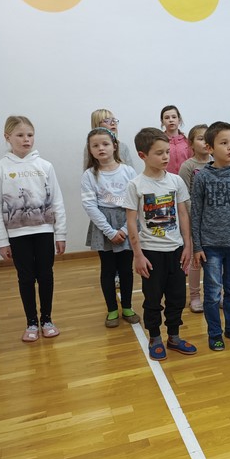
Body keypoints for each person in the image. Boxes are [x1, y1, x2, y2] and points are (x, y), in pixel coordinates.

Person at [0, 115, 66, 342]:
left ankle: (47, 320)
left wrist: (60, 233)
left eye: (30, 135)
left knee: (46, 275)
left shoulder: (45, 166)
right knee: (25, 278)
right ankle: (31, 322)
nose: (26, 140)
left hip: (44, 231)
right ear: (7, 137)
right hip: (17, 235)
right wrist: (2, 241)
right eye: (20, 135)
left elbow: (57, 201)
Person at [124, 128, 196, 361]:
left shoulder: (175, 181)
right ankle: (155, 337)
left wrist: (187, 245)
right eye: (159, 153)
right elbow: (131, 222)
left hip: (176, 251)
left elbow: (183, 214)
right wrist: (137, 255)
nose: (166, 157)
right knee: (153, 299)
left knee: (177, 297)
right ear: (142, 155)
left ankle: (174, 336)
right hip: (150, 252)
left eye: (167, 152)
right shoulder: (135, 185)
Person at [191, 122, 230, 351]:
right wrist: (197, 246)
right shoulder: (202, 177)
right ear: (210, 148)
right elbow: (196, 213)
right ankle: (214, 333)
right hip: (211, 246)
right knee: (211, 294)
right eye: (224, 143)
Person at [81, 127, 139, 327]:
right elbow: (90, 205)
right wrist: (110, 231)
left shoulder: (128, 171)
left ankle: (127, 307)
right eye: (95, 145)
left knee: (126, 269)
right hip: (103, 225)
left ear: (115, 146)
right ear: (90, 150)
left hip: (126, 221)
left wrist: (124, 229)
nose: (101, 148)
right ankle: (112, 309)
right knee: (108, 269)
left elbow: (135, 202)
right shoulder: (89, 175)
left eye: (105, 144)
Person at [179, 124, 211, 312]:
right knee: (195, 260)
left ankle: (215, 293)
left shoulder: (216, 162)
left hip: (214, 222)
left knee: (214, 260)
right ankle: (194, 296)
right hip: (195, 221)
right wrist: (198, 215)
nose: (205, 142)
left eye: (208, 138)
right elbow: (184, 196)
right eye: (200, 138)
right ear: (191, 144)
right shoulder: (188, 166)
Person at [159, 105, 191, 174]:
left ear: (179, 120)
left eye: (174, 117)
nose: (171, 120)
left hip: (185, 178)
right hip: (165, 178)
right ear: (162, 121)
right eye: (167, 118)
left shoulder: (187, 142)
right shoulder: (159, 142)